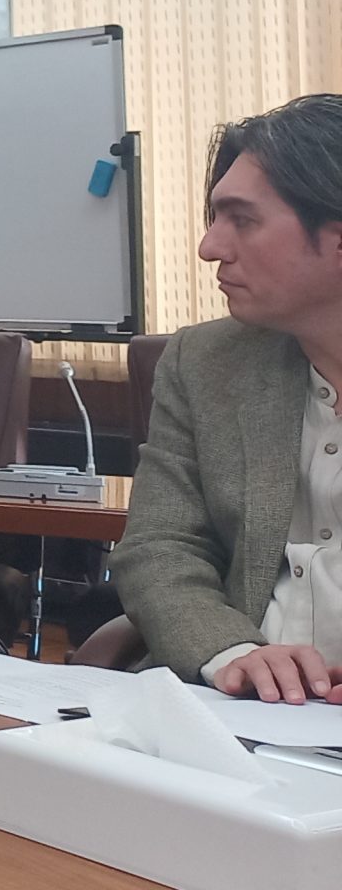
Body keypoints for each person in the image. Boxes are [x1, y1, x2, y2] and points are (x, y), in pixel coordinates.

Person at [116, 94, 342, 704]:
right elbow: (159, 547)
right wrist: (231, 654)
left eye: (242, 220)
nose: (209, 247)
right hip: (232, 710)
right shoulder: (206, 361)